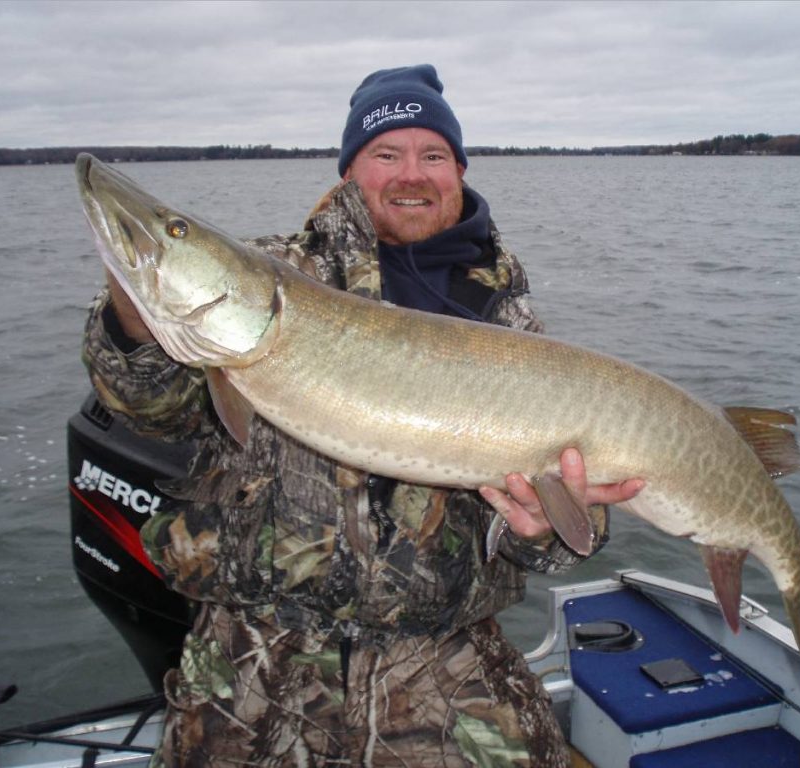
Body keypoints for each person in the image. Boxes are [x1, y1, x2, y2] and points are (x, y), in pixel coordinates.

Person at [83, 64, 643, 767]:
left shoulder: (508, 322)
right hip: (253, 659)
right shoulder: (270, 276)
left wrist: (544, 530)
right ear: (350, 170)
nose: (411, 174)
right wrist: (136, 314)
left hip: (442, 659)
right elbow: (151, 409)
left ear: (459, 170)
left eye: (432, 155)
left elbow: (566, 532)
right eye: (386, 153)